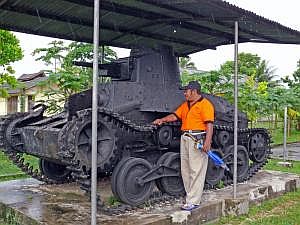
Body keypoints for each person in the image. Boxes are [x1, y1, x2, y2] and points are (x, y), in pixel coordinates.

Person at [153, 80, 214, 211]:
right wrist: (162, 120)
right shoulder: (186, 105)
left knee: (196, 170)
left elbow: (209, 124)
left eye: (186, 91)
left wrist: (208, 142)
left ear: (194, 91)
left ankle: (193, 201)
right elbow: (175, 116)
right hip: (186, 138)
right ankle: (190, 196)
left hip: (197, 138)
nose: (185, 93)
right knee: (185, 169)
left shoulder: (205, 105)